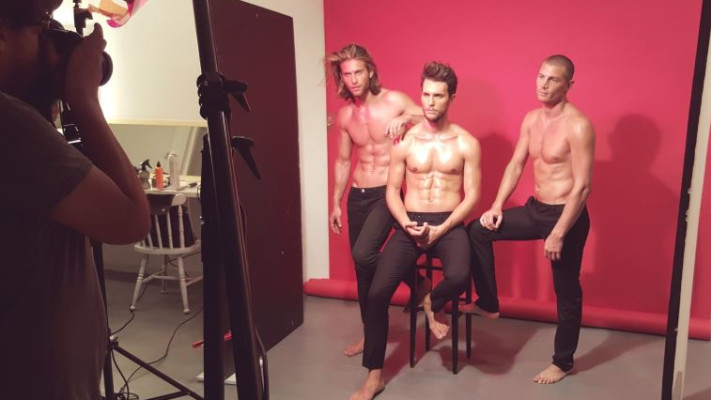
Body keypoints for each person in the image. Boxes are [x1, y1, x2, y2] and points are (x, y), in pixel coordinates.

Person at [0, 2, 150, 399]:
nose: (51, 38)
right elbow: (130, 220)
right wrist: (84, 100)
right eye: (41, 28)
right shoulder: (10, 124)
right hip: (37, 380)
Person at [350, 61, 481, 400]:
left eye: (438, 95)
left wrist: (442, 229)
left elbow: (472, 197)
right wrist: (405, 222)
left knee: (459, 275)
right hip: (411, 221)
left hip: (449, 222)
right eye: (426, 94)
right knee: (377, 294)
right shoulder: (405, 140)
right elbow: (392, 190)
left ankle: (431, 302)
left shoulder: (466, 142)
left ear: (452, 98)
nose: (430, 102)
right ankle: (374, 375)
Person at [466, 54, 594, 384]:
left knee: (567, 292)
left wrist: (559, 233)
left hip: (566, 216)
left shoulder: (578, 125)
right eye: (540, 76)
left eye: (553, 79)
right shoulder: (532, 119)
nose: (543, 84)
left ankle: (562, 362)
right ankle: (489, 302)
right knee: (478, 231)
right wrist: (496, 205)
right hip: (536, 209)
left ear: (569, 85)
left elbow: (582, 187)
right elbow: (516, 164)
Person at [327, 43, 430, 357]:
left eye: (358, 72)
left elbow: (430, 115)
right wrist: (336, 202)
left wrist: (406, 118)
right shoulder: (346, 115)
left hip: (388, 192)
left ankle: (417, 283)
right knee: (363, 270)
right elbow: (344, 160)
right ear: (341, 78)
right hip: (358, 194)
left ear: (370, 71)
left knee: (363, 254)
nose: (353, 79)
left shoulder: (393, 101)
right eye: (347, 75)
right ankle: (370, 334)